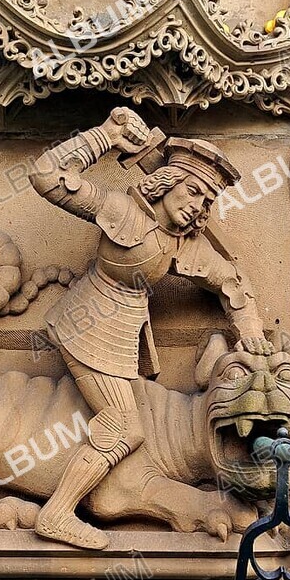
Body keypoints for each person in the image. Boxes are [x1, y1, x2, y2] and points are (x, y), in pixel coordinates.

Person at [28, 107, 273, 549]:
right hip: (87, 326)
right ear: (168, 181)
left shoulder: (183, 244)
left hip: (123, 334)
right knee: (124, 427)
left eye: (205, 201)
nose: (195, 206)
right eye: (192, 191)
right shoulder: (120, 210)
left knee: (125, 424)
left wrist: (249, 330)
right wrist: (106, 135)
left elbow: (229, 282)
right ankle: (58, 514)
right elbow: (48, 175)